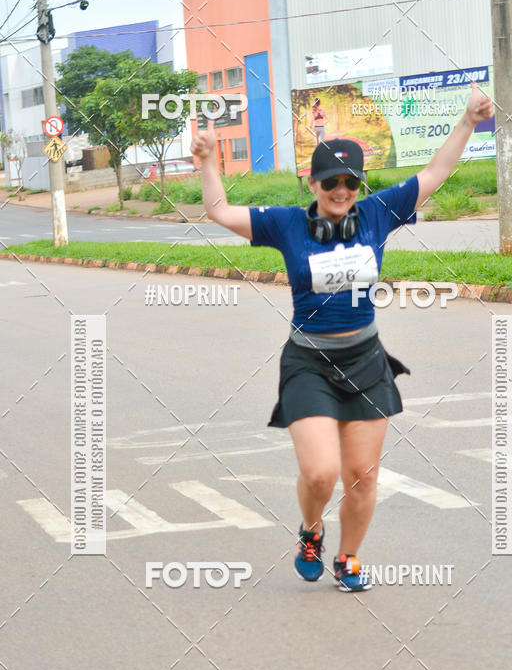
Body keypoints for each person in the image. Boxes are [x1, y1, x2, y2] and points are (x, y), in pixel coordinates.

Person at [191, 82, 493, 592]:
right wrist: (207, 164)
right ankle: (311, 531)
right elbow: (220, 212)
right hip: (309, 364)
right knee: (320, 475)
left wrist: (468, 120)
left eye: (349, 182)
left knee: (363, 476)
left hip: (366, 361)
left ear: (360, 183)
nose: (340, 190)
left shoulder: (376, 213)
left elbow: (436, 172)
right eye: (330, 180)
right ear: (311, 182)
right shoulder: (286, 225)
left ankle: (348, 558)